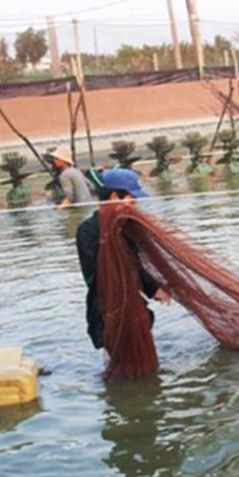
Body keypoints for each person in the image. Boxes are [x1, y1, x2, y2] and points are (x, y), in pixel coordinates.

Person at [75, 168, 170, 351]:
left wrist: (154, 288)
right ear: (113, 197)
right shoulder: (87, 231)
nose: (134, 204)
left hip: (134, 306)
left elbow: (135, 264)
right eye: (131, 198)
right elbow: (94, 277)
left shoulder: (127, 226)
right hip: (107, 310)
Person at [49, 145, 95, 210]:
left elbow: (70, 197)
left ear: (63, 160)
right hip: (90, 205)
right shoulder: (76, 171)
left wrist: (58, 209)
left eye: (57, 159)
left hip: (80, 209)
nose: (54, 161)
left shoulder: (64, 175)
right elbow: (91, 186)